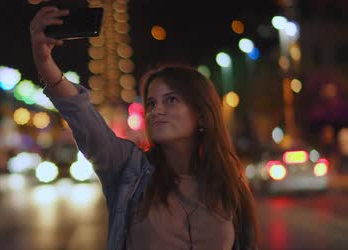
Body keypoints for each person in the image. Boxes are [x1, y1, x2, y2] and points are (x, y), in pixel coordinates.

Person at [29, 6, 258, 250]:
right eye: (151, 102)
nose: (156, 110)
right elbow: (82, 115)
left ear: (201, 115)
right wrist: (45, 63)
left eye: (171, 100)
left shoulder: (228, 182)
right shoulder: (129, 169)